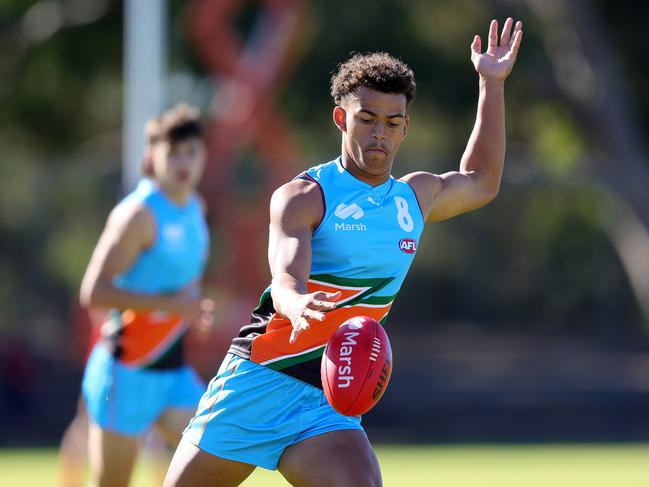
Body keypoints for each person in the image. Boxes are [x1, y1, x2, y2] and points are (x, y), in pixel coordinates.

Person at [164, 18, 523, 487]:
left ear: (404, 129)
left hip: (327, 401)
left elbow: (481, 181)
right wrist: (294, 302)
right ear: (341, 118)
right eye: (367, 119)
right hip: (258, 382)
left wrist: (490, 85)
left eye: (392, 123)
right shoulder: (304, 195)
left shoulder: (414, 198)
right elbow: (287, 267)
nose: (380, 134)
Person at [79, 103, 214, 487]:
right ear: (151, 157)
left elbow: (180, 283)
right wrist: (173, 306)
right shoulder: (137, 214)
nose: (183, 162)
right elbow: (93, 293)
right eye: (173, 152)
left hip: (174, 375)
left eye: (192, 151)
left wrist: (191, 312)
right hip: (126, 375)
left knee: (217, 457)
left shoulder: (196, 208)